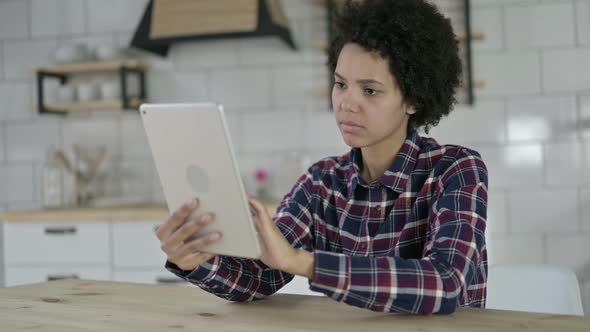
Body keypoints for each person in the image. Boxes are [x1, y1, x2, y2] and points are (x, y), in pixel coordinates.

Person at [156, 0, 488, 315]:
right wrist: (195, 260)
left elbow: (446, 284)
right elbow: (260, 276)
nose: (347, 102)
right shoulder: (322, 182)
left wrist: (304, 263)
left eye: (370, 90)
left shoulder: (455, 169)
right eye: (341, 84)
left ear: (413, 99)